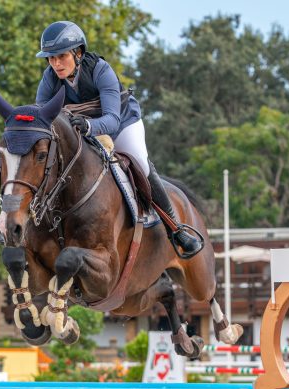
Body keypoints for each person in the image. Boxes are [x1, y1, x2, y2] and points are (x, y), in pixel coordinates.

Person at [34, 21, 202, 257]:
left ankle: (175, 227)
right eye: (50, 58)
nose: (56, 64)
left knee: (140, 162)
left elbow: (112, 119)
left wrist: (90, 126)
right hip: (82, 130)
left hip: (121, 124)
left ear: (78, 53)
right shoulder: (50, 78)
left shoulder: (101, 70)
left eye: (61, 56)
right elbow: (43, 115)